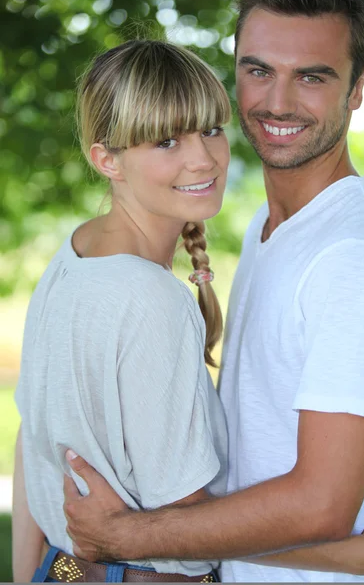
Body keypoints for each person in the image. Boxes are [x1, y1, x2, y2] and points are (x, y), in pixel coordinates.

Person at [62, 0, 364, 582]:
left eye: (313, 77)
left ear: (359, 86)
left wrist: (122, 535)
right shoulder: (266, 227)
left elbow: (323, 504)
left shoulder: (350, 257)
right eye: (258, 70)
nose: (277, 102)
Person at [12, 38, 232, 582]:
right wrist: (341, 541)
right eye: (165, 140)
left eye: (210, 129)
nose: (203, 157)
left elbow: (33, 440)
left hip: (58, 571)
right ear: (106, 159)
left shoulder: (74, 255)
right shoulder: (150, 297)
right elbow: (185, 516)